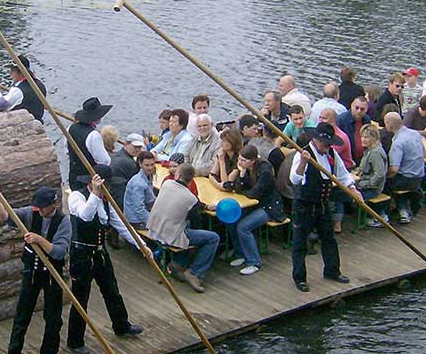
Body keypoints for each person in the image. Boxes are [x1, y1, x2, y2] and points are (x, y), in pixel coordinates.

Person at [0, 184, 71, 354]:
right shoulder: (30, 212)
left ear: (54, 205)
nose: (39, 210)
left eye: (43, 207)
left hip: (52, 274)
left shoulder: (63, 222)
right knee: (22, 317)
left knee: (54, 318)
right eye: (38, 207)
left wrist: (40, 240)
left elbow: (59, 251)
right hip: (31, 272)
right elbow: (4, 217)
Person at [65, 166, 142, 354]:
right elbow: (85, 215)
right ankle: (75, 342)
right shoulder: (76, 196)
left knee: (112, 290)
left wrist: (142, 245)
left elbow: (121, 225)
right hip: (81, 255)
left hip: (100, 253)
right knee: (80, 298)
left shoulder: (107, 201)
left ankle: (121, 325)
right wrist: (96, 194)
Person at [289, 122, 355, 291]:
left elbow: (343, 175)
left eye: (329, 144)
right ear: (315, 139)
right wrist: (303, 163)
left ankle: (332, 271)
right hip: (304, 206)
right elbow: (295, 180)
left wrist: (353, 188)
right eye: (324, 143)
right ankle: (299, 278)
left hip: (323, 205)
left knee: (329, 239)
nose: (327, 147)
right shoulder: (303, 154)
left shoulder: (331, 154)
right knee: (300, 243)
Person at [147, 164, 220, 293]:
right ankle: (195, 273)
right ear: (192, 180)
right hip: (170, 235)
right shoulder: (191, 198)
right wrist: (205, 208)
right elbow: (196, 219)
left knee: (183, 225)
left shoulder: (167, 184)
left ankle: (178, 263)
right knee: (213, 238)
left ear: (178, 175)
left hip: (153, 229)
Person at [229, 144, 285, 275]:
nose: (240, 163)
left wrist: (244, 190)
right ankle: (240, 253)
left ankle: (254, 261)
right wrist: (242, 174)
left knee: (243, 227)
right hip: (255, 204)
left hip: (269, 207)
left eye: (244, 160)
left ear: (253, 161)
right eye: (239, 159)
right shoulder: (246, 168)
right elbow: (239, 188)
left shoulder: (265, 171)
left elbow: (254, 193)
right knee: (232, 220)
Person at [384, 112, 425, 224]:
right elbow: (424, 154)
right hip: (419, 176)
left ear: (389, 125)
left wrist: (385, 176)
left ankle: (394, 212)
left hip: (405, 179)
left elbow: (394, 169)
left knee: (386, 183)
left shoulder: (398, 143)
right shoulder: (415, 134)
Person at [66, 97, 113, 189]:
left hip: (73, 175)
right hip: (88, 179)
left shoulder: (70, 128)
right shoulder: (94, 135)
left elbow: (67, 151)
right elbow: (105, 161)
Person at [0, 55, 48, 122]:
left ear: (21, 73)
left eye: (12, 71)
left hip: (22, 124)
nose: (10, 73)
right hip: (37, 122)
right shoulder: (41, 85)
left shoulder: (18, 90)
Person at [354, 124, 389, 218]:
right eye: (362, 137)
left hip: (372, 189)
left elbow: (380, 174)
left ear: (375, 138)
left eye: (366, 137)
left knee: (347, 195)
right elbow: (362, 168)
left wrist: (365, 185)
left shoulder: (375, 153)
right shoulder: (369, 150)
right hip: (363, 183)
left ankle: (378, 216)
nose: (363, 139)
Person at [106, 129, 142, 212]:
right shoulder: (130, 163)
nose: (137, 150)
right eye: (135, 147)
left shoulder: (115, 155)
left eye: (139, 148)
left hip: (110, 193)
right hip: (120, 198)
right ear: (126, 144)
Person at [122, 150, 158, 228]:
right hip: (135, 221)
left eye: (152, 164)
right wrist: (153, 223)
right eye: (147, 165)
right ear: (140, 164)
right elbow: (139, 210)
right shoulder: (138, 183)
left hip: (143, 212)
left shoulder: (148, 176)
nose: (150, 168)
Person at [337, 96, 371, 163]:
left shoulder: (367, 120)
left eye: (362, 109)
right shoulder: (341, 120)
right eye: (357, 108)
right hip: (346, 159)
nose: (359, 111)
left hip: (362, 158)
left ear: (366, 110)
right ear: (351, 106)